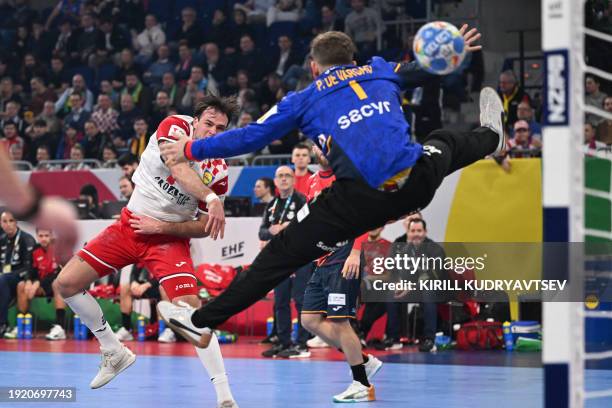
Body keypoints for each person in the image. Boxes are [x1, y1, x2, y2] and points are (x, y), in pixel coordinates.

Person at [157, 29, 502, 400]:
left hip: (358, 199)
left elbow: (250, 138)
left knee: (276, 257)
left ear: (312, 66)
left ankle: (200, 321)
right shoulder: (381, 70)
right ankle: (493, 137)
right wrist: (455, 53)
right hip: (414, 182)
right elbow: (428, 70)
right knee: (444, 142)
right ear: (353, 59)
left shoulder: (302, 100)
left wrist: (191, 148)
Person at [53, 97, 238, 408]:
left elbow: (205, 226)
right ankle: (114, 351)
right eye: (209, 123)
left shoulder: (217, 169)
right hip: (130, 226)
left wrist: (161, 227)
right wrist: (209, 197)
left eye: (220, 129)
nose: (212, 132)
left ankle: (224, 396)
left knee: (192, 313)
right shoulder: (174, 126)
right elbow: (178, 167)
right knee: (66, 284)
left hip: (167, 238)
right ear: (195, 120)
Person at [300, 145, 383, 401]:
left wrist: (356, 253)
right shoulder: (311, 182)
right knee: (309, 320)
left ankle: (361, 383)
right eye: (317, 144)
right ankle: (364, 360)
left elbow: (363, 217)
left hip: (344, 256)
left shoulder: (347, 177)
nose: (321, 150)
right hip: (322, 260)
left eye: (326, 146)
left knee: (339, 320)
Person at [258, 165, 310, 358]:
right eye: (280, 176)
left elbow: (308, 226)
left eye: (288, 175)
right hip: (280, 259)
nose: (284, 179)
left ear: (294, 179)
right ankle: (283, 342)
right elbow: (262, 231)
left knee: (300, 299)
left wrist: (290, 226)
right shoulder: (272, 205)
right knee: (280, 301)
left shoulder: (302, 201)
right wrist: (271, 231)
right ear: (276, 181)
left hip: (300, 258)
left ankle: (302, 343)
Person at [11, 228, 67, 340]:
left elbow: (59, 273)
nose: (44, 239)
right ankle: (22, 325)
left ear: (51, 236)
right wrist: (28, 281)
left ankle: (60, 328)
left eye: (46, 235)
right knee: (21, 285)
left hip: (54, 284)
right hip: (39, 286)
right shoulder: (35, 250)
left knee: (58, 285)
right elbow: (30, 269)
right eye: (41, 236)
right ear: (37, 236)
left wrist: (37, 283)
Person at [0, 211, 36, 337]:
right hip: (5, 277)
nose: (8, 224)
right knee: (2, 279)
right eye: (4, 221)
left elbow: (29, 266)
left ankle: (3, 324)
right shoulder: (2, 240)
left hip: (20, 275)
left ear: (16, 222)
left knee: (3, 279)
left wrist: (28, 280)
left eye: (11, 221)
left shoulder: (27, 239)